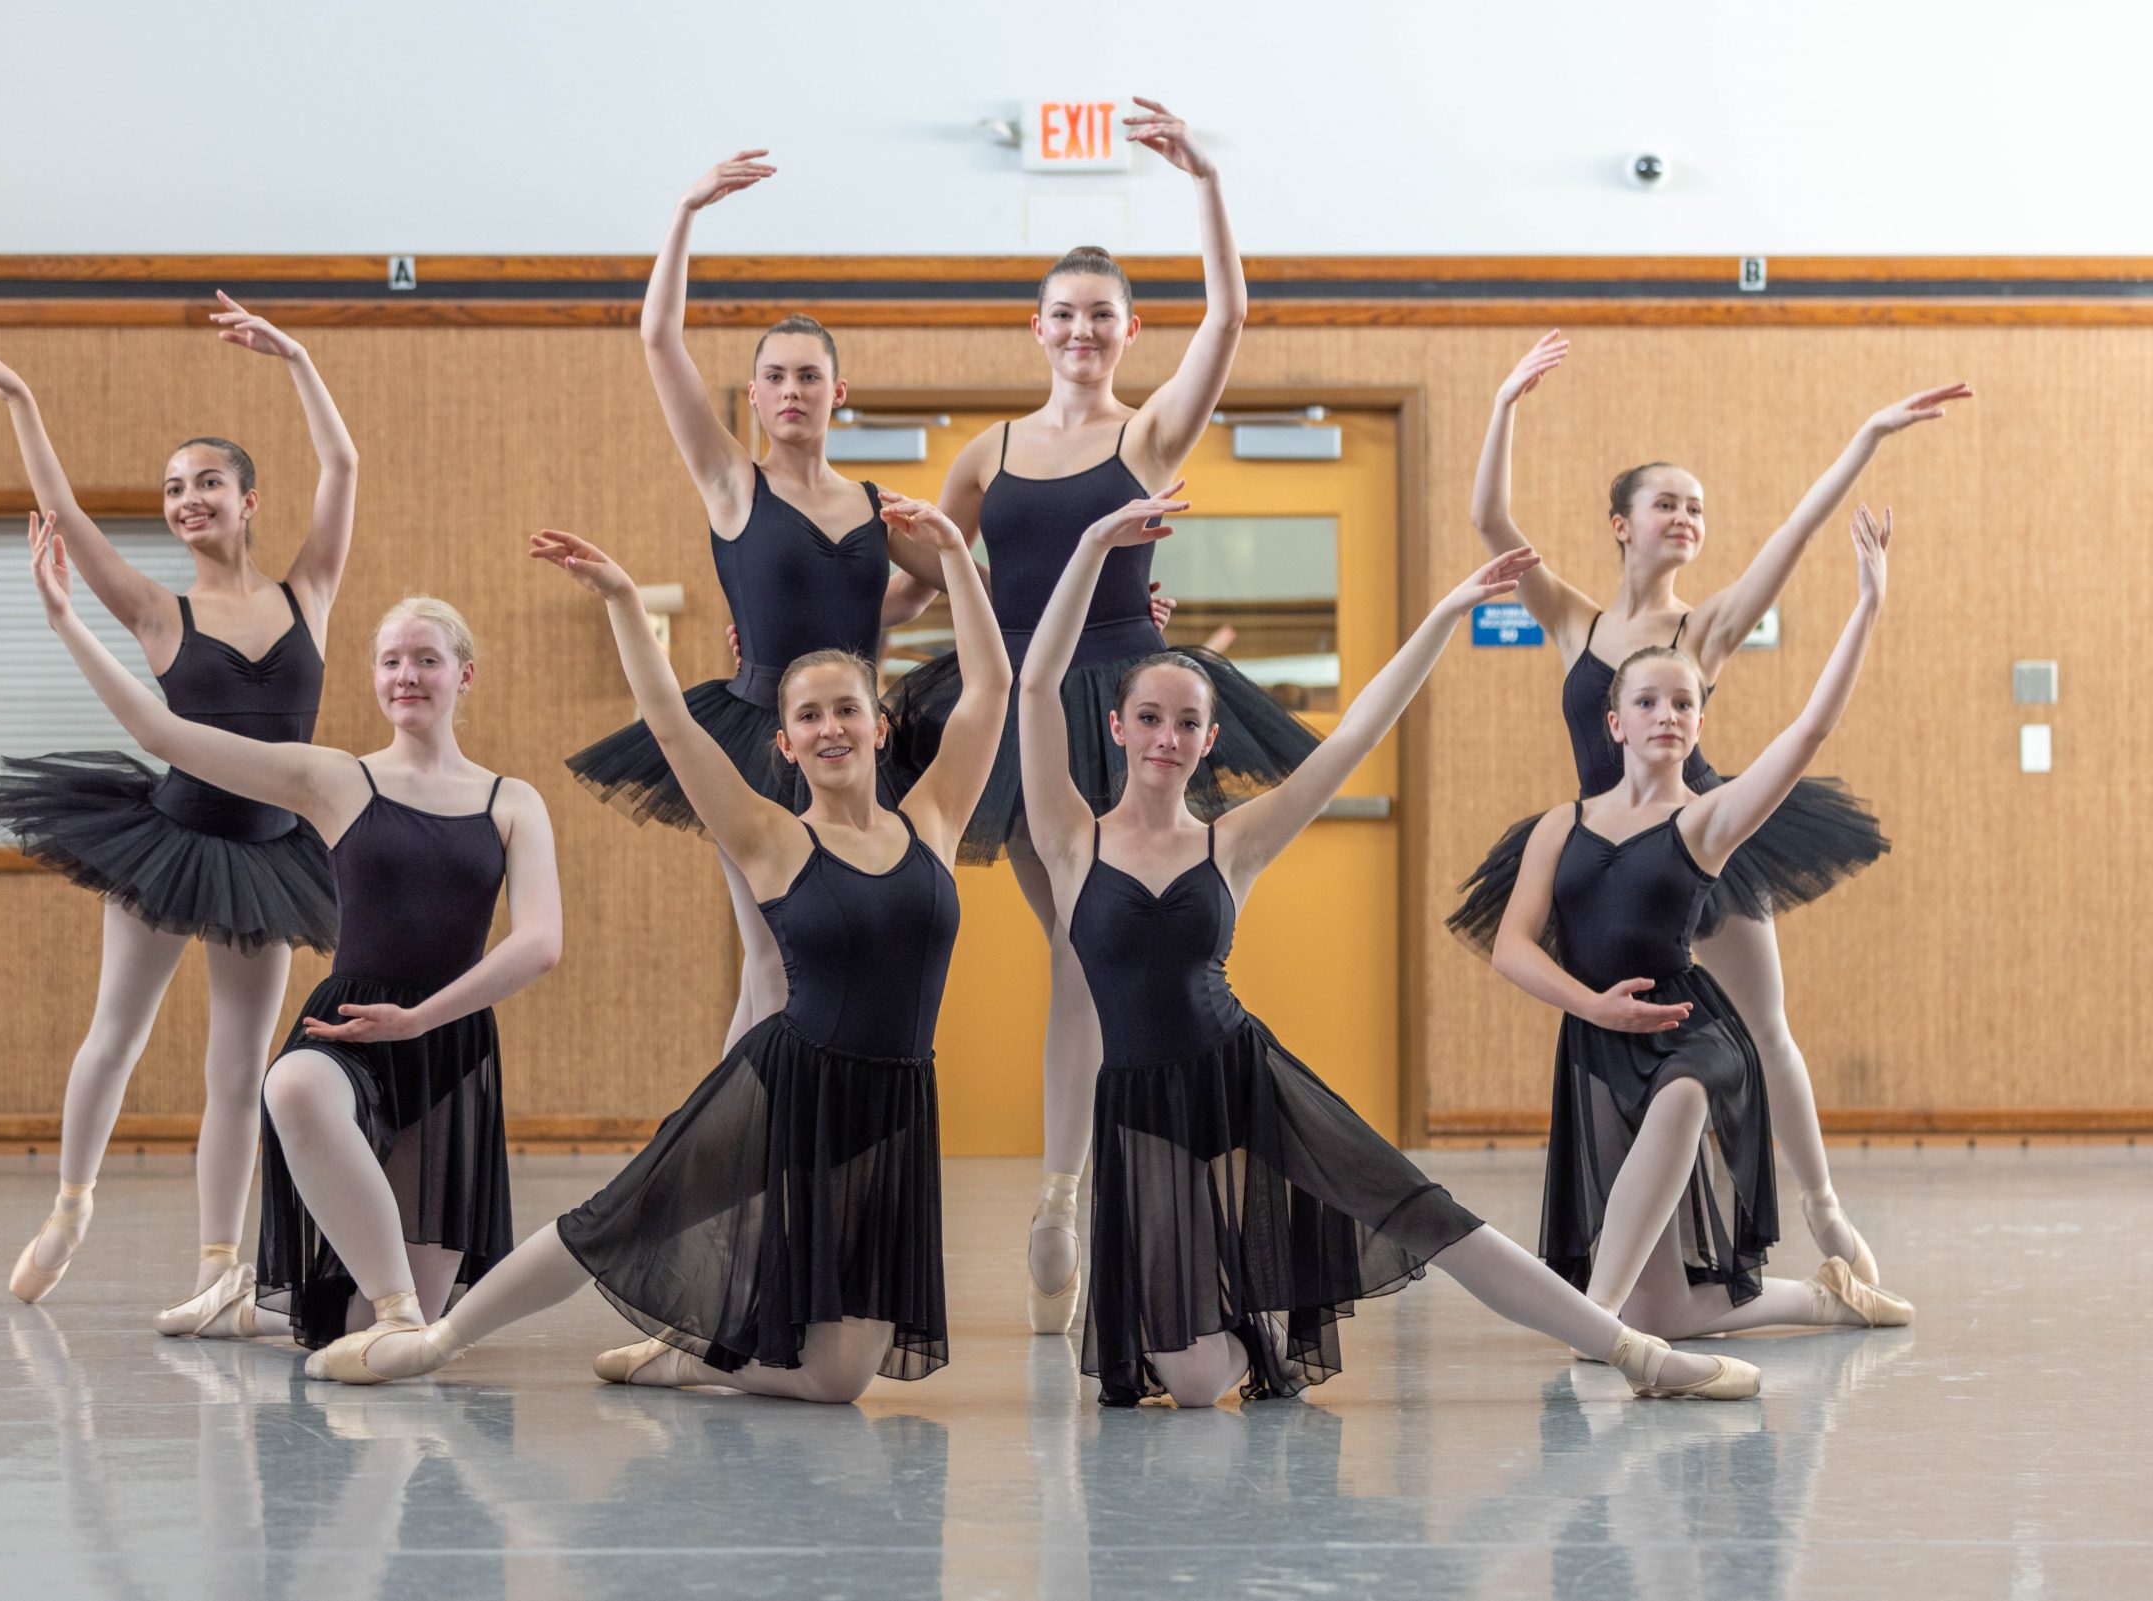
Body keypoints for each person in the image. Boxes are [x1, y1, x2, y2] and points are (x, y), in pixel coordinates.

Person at [1023, 488, 1757, 1406]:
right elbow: (1035, 680)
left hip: (1243, 1072)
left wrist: (1448, 615)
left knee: (1427, 1213)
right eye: (1151, 719)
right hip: (1141, 1104)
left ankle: (1637, 1353)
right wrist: (1093, 545)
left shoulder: (1234, 840)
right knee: (1198, 1381)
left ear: (1210, 740)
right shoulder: (1067, 838)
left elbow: (1359, 730)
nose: (1167, 738)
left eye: (1186, 724)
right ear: (1117, 727)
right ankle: (1246, 1305)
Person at [302, 493, 1005, 1399]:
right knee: (617, 1219)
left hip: (893, 1105)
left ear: (879, 721)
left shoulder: (935, 819)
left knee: (839, 1383)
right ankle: (432, 1342)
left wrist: (950, 553)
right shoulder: (770, 839)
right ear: (785, 743)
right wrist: (625, 600)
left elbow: (992, 689)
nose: (832, 728)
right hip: (789, 1085)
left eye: (848, 710)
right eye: (811, 718)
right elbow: (673, 723)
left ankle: (694, 1354)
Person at [887, 100, 1321, 1334]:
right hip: (1020, 709)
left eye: (1102, 314)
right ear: (1038, 329)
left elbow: (1232, 318)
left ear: (1128, 331)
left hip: (1124, 698)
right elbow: (928, 582)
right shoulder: (986, 454)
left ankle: (1069, 1193)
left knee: (1102, 955)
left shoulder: (1145, 432)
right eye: (1063, 313)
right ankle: (1068, 1198)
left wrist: (1208, 182)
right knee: (1079, 951)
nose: (1082, 330)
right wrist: (815, 648)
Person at [1450, 332, 1969, 1287]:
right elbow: (1489, 517)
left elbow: (1795, 537)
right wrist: (1504, 403)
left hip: (1701, 837)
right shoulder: (1573, 618)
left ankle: (1824, 1213)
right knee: (1617, 1025)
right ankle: (1628, 1246)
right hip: (1606, 843)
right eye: (1667, 504)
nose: (1687, 517)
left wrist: (1865, 438)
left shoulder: (1708, 626)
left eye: (1697, 508)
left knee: (1766, 1025)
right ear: (1621, 523)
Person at [21, 514, 560, 1350]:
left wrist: (421, 1019)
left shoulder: (512, 801)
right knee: (293, 1090)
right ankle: (395, 1318)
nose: (407, 675)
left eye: (426, 659)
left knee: (381, 1310)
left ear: (465, 675)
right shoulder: (333, 778)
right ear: (374, 679)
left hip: (448, 1047)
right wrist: (64, 618)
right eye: (391, 661)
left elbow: (540, 943)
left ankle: (257, 1305)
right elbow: (164, 734)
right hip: (346, 1030)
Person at [0, 298, 359, 1307]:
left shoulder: (309, 591)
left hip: (268, 856)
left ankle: (220, 1264)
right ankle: (72, 1204)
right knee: (115, 1034)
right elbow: (67, 514)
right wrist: (24, 401)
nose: (187, 500)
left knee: (238, 1069)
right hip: (170, 838)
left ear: (248, 498)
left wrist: (297, 357)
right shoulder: (156, 609)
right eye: (173, 489)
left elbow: (343, 468)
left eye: (207, 481)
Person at [566, 150, 961, 1055]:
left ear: (837, 394)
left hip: (851, 736)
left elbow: (931, 589)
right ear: (753, 396)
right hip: (754, 733)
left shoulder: (872, 506)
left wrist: (1106, 595)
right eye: (775, 378)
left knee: (829, 965)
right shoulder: (733, 485)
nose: (791, 391)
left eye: (808, 377)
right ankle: (731, 1161)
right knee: (772, 961)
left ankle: (770, 1151)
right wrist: (687, 210)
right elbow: (659, 341)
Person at [1495, 506, 1918, 1343]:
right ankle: (1821, 1298)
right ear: (1613, 724)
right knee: (1678, 1315)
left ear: (1698, 724)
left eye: (1683, 703)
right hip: (1598, 1039)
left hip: (1694, 1036)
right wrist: (1595, 1008)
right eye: (1647, 701)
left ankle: (1599, 1325)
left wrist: (1867, 605)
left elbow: (1810, 729)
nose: (1666, 715)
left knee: (1687, 1092)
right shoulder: (1557, 825)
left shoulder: (1709, 822)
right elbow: (1511, 946)